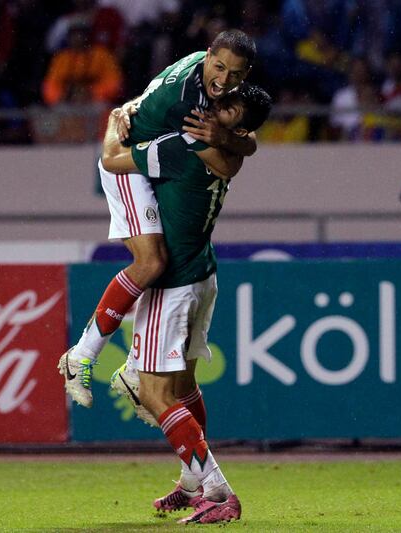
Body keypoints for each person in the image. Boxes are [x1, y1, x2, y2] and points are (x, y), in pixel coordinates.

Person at [58, 30, 258, 409]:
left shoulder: (204, 70)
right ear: (209, 56)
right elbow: (226, 165)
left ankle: (134, 367)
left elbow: (246, 140)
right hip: (128, 168)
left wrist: (130, 105)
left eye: (234, 74)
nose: (224, 80)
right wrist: (225, 138)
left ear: (244, 73)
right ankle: (82, 355)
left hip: (153, 161)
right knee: (152, 261)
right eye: (219, 68)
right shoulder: (186, 103)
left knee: (166, 263)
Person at [101, 83, 272, 524]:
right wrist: (231, 134)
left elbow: (111, 162)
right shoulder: (227, 152)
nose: (217, 105)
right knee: (183, 388)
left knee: (152, 391)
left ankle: (216, 489)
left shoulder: (184, 146)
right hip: (203, 273)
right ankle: (191, 480)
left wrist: (112, 126)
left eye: (229, 107)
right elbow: (241, 148)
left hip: (174, 280)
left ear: (237, 124)